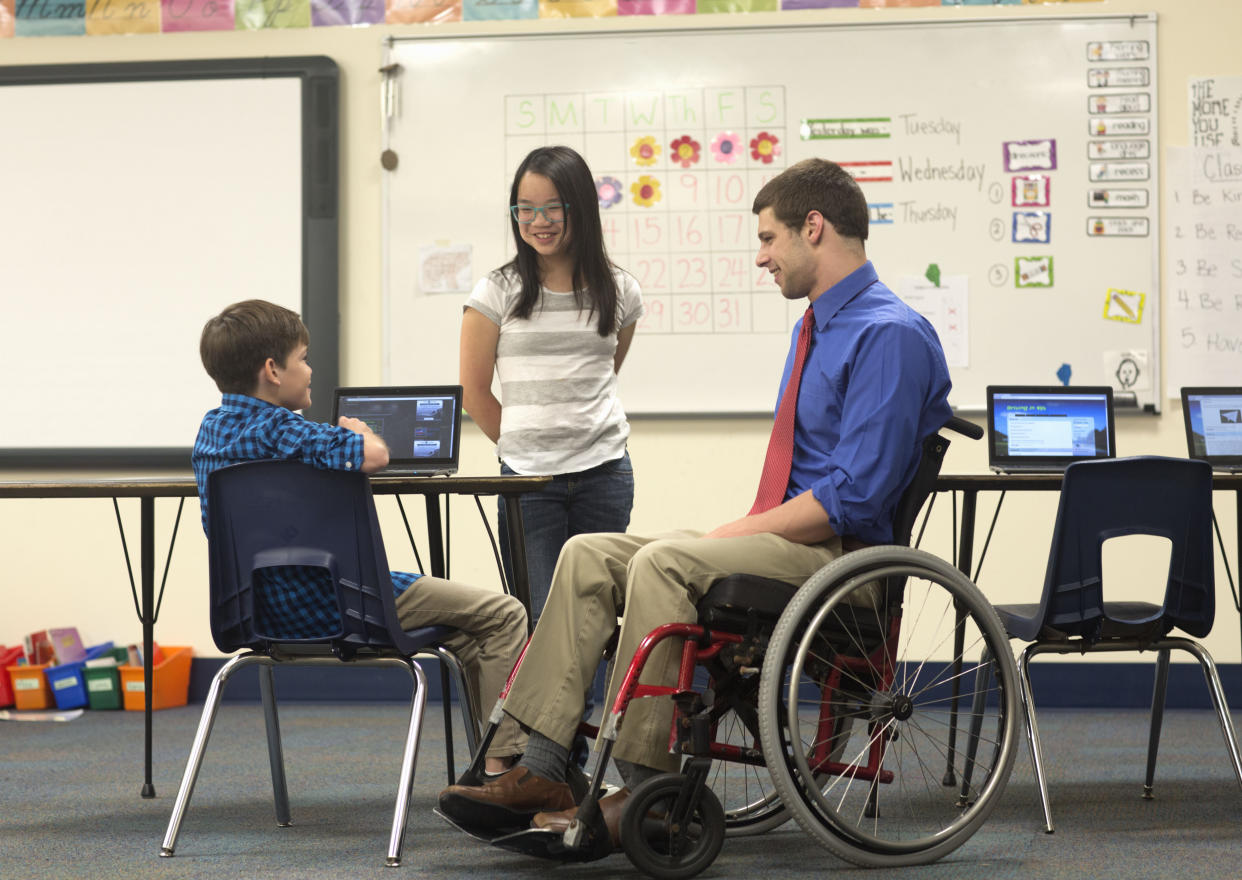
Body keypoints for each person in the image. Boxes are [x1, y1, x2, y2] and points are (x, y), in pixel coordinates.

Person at [436, 157, 953, 843]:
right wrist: (743, 531)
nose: (762, 256)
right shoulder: (822, 323)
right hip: (793, 543)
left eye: (770, 239)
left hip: (841, 560)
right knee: (589, 554)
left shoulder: (886, 334)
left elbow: (850, 500)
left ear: (815, 228)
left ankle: (644, 788)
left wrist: (741, 528)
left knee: (665, 564)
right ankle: (544, 761)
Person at [192, 299, 528, 775]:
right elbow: (373, 455)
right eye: (303, 358)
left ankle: (493, 766)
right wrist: (359, 429)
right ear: (272, 370)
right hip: (341, 604)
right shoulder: (288, 429)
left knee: (468, 635)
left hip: (256, 612)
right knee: (503, 614)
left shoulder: (209, 431)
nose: (310, 369)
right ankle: (502, 771)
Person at [460, 145, 645, 624]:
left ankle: (598, 704)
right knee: (543, 624)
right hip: (528, 484)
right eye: (525, 209)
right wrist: (527, 443)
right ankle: (555, 706)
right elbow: (475, 392)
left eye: (551, 207)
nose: (537, 221)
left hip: (604, 475)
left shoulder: (621, 290)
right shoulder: (496, 291)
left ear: (580, 208)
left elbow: (604, 372)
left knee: (597, 619)